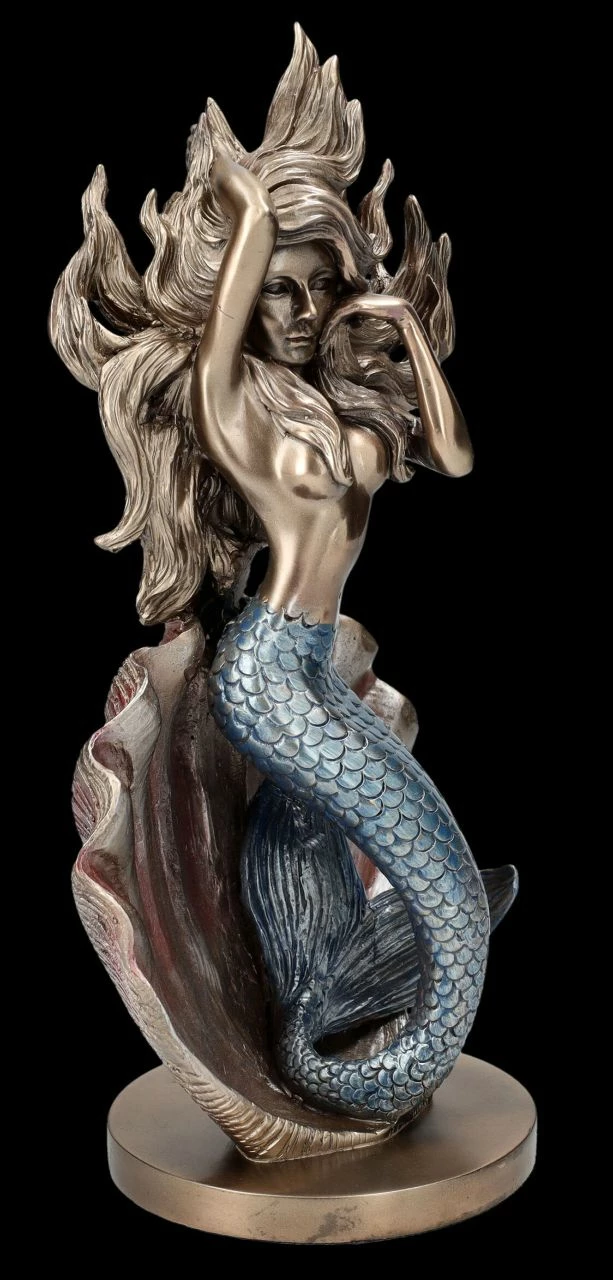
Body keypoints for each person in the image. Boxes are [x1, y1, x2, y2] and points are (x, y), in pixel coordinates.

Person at [51, 27, 502, 1126]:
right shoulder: (237, 411)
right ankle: (311, 1046)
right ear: (244, 301)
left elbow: (454, 457)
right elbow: (228, 308)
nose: (298, 315)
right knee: (442, 881)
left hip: (309, 663)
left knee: (418, 867)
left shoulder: (350, 407)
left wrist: (401, 326)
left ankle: (315, 1009)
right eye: (277, 294)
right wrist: (246, 209)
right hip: (264, 670)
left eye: (319, 291)